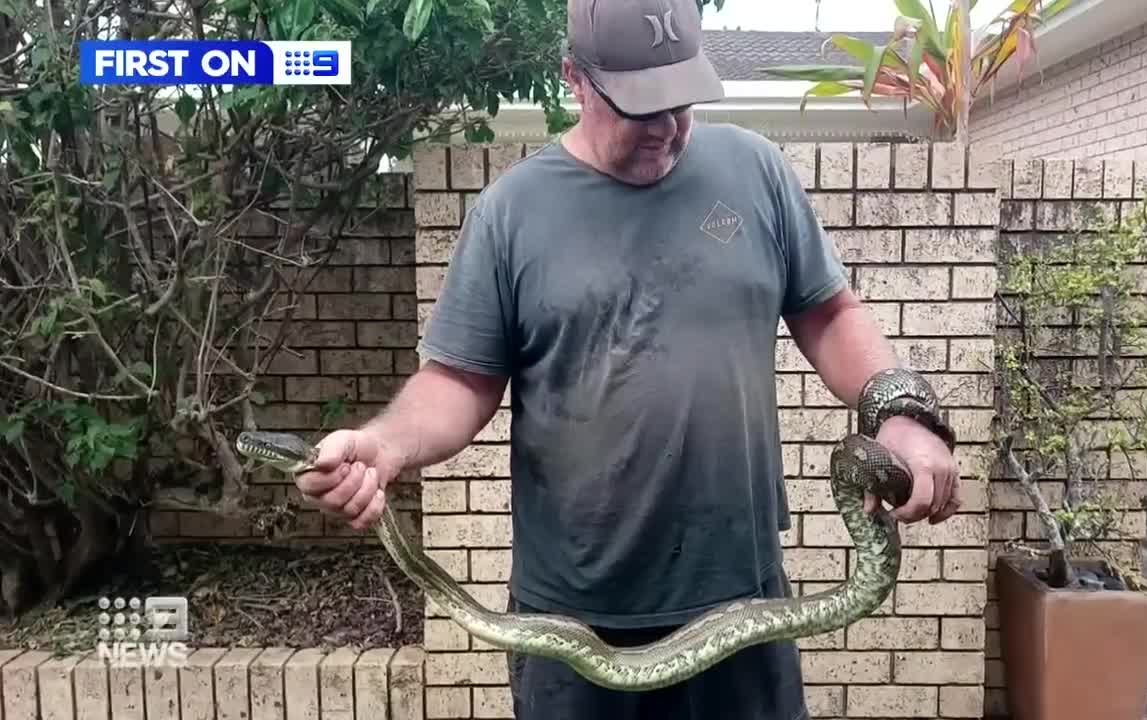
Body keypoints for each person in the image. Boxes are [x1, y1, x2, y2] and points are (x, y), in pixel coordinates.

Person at [293, 0, 961, 717]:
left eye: (681, 102)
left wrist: (900, 412)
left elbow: (831, 315)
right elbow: (459, 380)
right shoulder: (510, 214)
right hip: (571, 624)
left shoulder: (756, 172)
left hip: (742, 600)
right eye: (642, 106)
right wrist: (385, 443)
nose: (668, 127)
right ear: (574, 80)